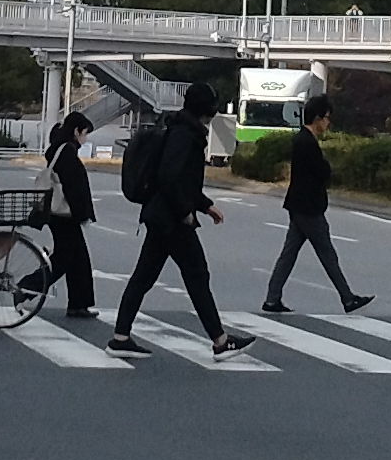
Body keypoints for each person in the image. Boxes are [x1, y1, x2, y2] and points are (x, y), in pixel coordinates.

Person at [110, 83, 254, 359]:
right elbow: (170, 178)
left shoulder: (182, 130)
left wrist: (205, 205)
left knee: (144, 278)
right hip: (172, 219)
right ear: (207, 109)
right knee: (197, 275)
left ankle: (120, 337)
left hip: (161, 216)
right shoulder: (185, 136)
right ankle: (220, 341)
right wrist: (185, 211)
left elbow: (182, 181)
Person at [264, 93, 371, 315]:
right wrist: (326, 168)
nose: (328, 122)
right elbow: (321, 172)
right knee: (327, 254)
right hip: (309, 208)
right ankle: (347, 298)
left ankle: (272, 298)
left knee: (290, 253)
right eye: (326, 117)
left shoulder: (301, 139)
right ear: (317, 118)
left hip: (299, 205)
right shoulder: (307, 143)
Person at [42, 105, 100, 318]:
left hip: (59, 213)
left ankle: (78, 303)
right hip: (64, 214)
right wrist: (82, 214)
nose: (85, 138)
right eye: (85, 133)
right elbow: (73, 187)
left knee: (78, 259)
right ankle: (26, 287)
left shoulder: (59, 148)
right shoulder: (67, 151)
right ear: (77, 131)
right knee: (65, 258)